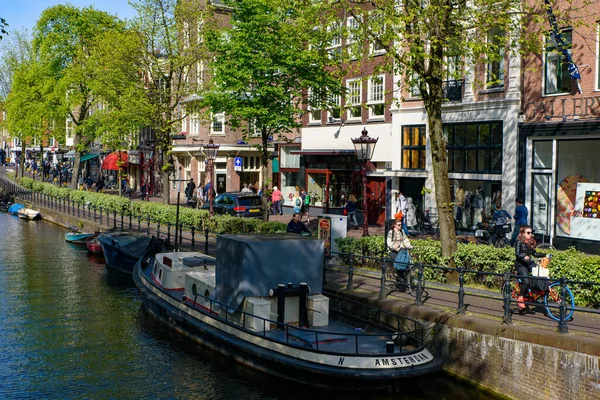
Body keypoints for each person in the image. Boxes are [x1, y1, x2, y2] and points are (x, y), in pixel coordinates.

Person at [514, 225, 545, 309]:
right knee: (526, 281)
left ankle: (532, 294)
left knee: (539, 273)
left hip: (528, 262)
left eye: (531, 232)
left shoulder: (531, 242)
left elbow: (534, 253)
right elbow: (517, 253)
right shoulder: (519, 241)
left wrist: (545, 255)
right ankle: (520, 298)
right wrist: (523, 256)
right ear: (523, 234)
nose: (530, 234)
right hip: (521, 264)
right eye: (528, 233)